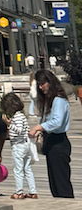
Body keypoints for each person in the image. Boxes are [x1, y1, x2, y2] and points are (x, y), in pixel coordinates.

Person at [28, 69, 74, 198]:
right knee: (54, 182)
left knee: (61, 182)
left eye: (43, 84)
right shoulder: (50, 100)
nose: (41, 87)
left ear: (50, 82)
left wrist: (38, 127)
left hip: (58, 142)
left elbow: (57, 122)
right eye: (39, 85)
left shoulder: (58, 100)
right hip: (51, 142)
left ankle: (68, 209)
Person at [2, 92, 37, 200]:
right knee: (27, 168)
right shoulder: (21, 116)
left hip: (18, 145)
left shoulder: (17, 117)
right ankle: (32, 191)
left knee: (18, 170)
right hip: (25, 145)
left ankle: (19, 192)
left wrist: (9, 125)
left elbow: (19, 130)